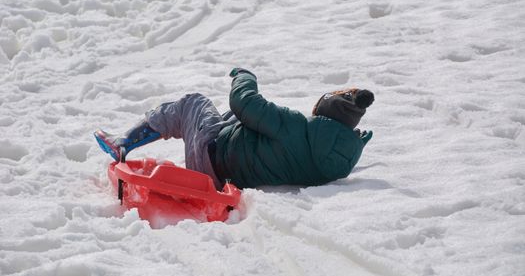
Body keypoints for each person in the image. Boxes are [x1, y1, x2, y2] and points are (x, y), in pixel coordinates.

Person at [94, 68, 374, 190]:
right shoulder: (343, 159)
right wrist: (357, 141)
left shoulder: (297, 127)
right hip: (232, 173)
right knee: (238, 120)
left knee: (193, 103)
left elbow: (245, 102)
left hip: (210, 156)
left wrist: (245, 77)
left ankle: (124, 143)